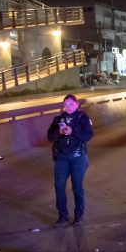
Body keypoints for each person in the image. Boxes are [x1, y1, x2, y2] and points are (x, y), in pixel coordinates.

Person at [47, 94, 94, 227]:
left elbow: (88, 135)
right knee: (59, 187)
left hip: (78, 158)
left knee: (77, 187)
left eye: (71, 104)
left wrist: (73, 131)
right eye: (66, 105)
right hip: (61, 158)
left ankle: (79, 216)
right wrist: (60, 132)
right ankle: (63, 216)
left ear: (77, 105)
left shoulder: (83, 118)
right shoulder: (58, 119)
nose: (68, 107)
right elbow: (50, 136)